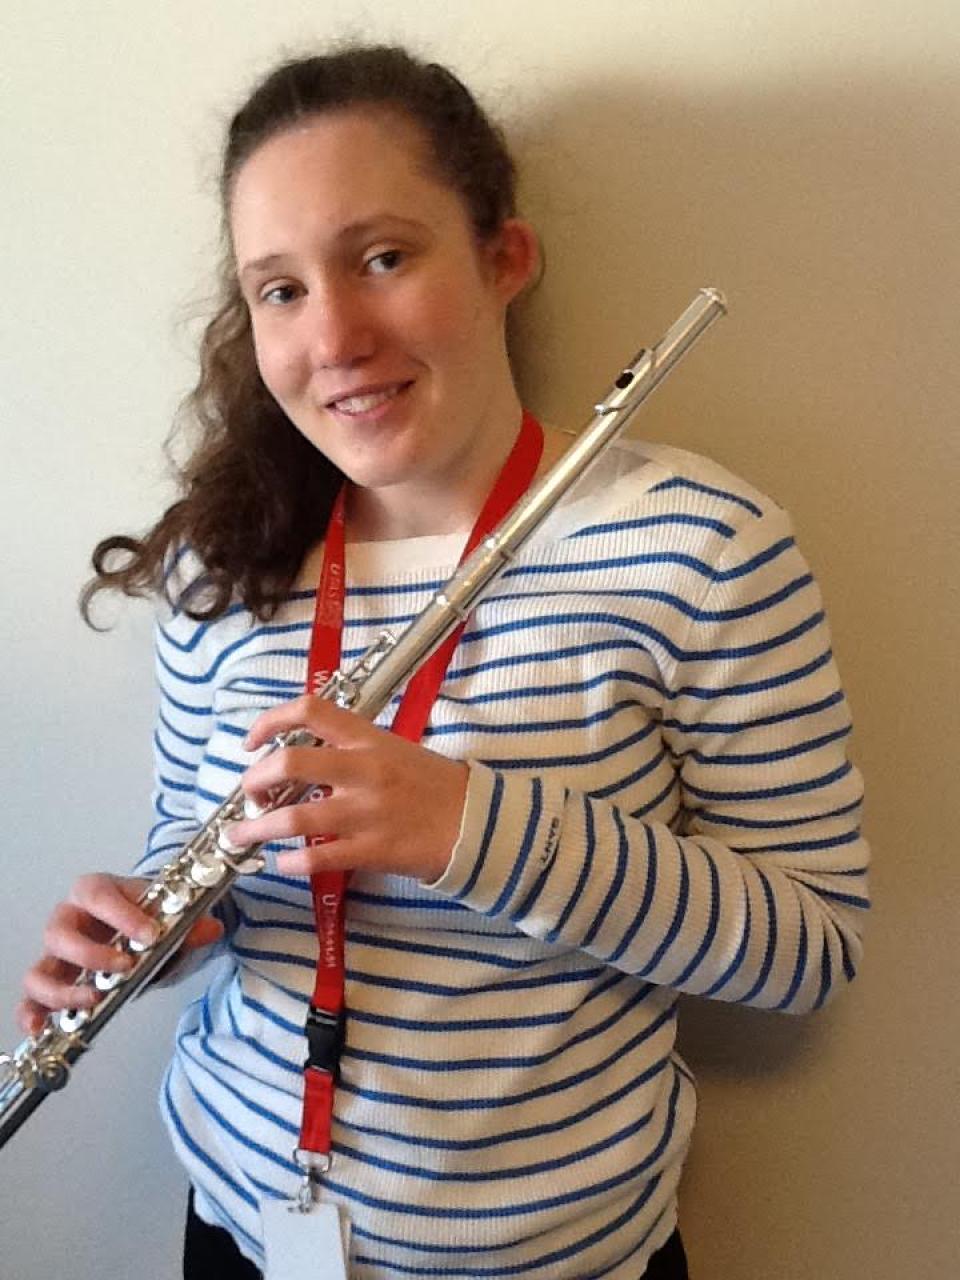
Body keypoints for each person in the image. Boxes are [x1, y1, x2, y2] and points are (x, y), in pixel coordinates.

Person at [16, 44, 869, 1280]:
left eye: (382, 258)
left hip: (554, 1256)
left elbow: (813, 945)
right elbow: (195, 844)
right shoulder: (222, 558)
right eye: (280, 289)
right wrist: (156, 924)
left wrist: (473, 827)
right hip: (244, 1226)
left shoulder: (701, 546)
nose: (335, 336)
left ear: (503, 257)